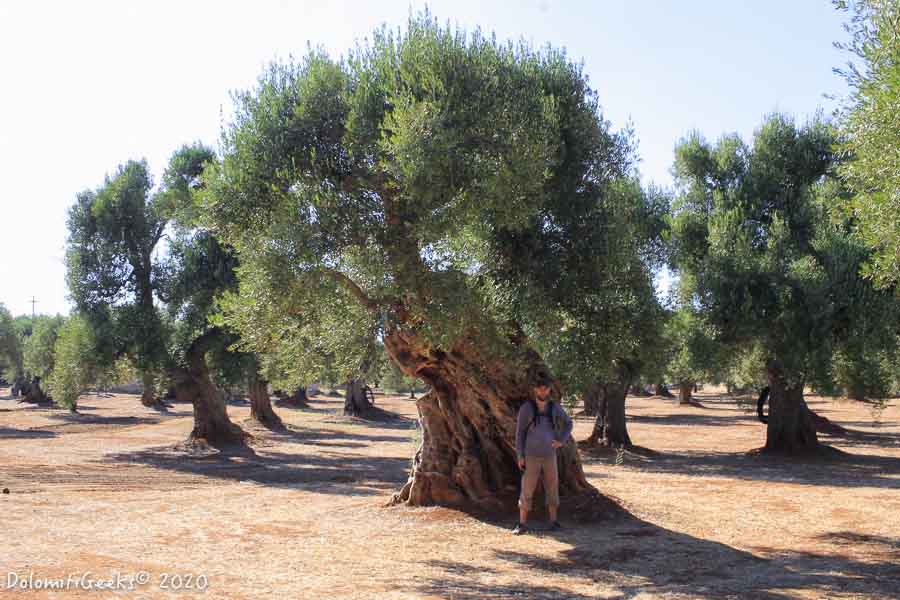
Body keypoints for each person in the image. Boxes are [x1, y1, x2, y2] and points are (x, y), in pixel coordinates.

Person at [513, 375, 573, 534]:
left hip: (549, 455)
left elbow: (569, 423)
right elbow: (519, 433)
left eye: (545, 388)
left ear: (549, 390)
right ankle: (522, 524)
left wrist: (561, 440)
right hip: (531, 455)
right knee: (527, 488)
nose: (542, 390)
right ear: (535, 390)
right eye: (539, 387)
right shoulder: (527, 408)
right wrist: (520, 455)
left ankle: (553, 522)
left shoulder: (554, 407)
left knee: (552, 487)